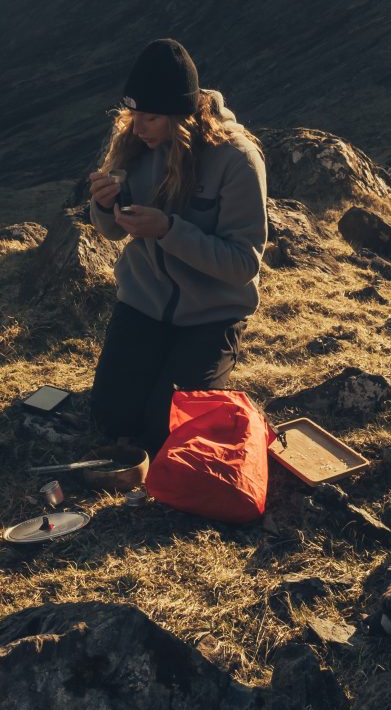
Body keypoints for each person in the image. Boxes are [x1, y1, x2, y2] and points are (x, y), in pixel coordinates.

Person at [84, 38, 268, 450]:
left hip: (211, 316)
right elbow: (113, 231)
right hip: (143, 305)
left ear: (180, 115)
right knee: (110, 420)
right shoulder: (133, 146)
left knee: (162, 432)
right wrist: (103, 205)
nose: (137, 127)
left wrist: (169, 230)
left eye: (150, 117)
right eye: (134, 115)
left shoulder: (236, 159)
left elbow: (243, 264)